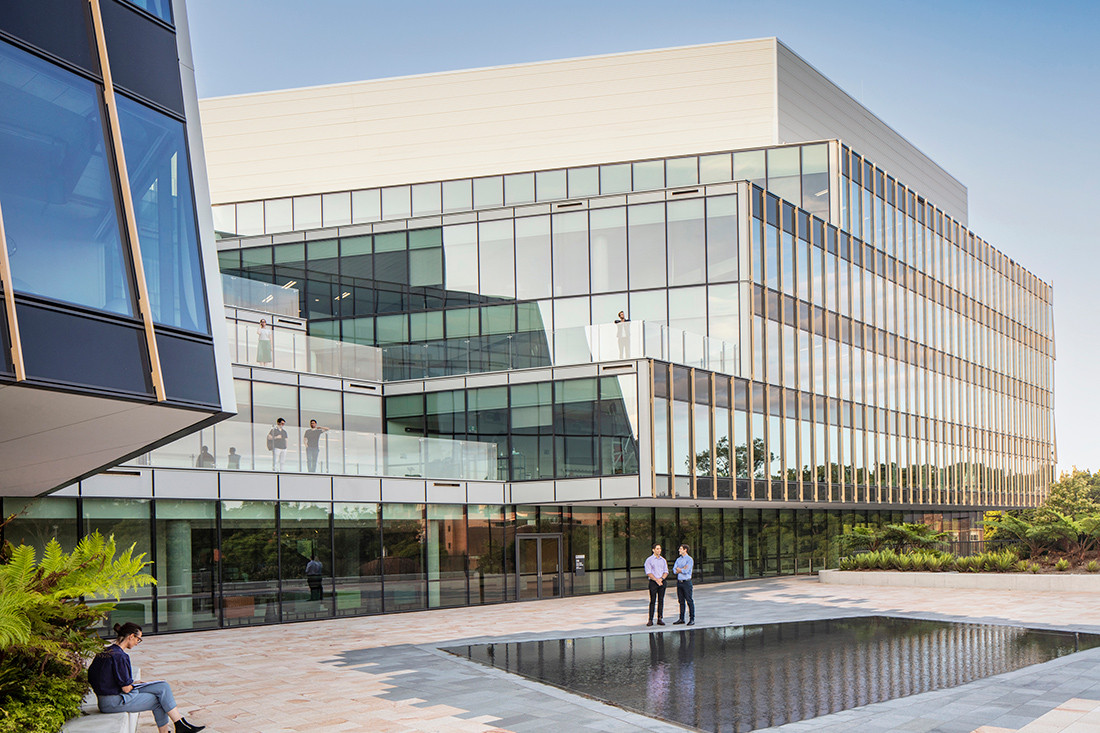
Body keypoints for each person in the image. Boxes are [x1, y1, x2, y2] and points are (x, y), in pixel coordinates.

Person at [87, 622, 205, 733]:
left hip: (106, 698)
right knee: (158, 700)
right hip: (113, 701)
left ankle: (180, 724)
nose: (137, 643)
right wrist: (134, 685)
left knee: (163, 686)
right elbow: (126, 689)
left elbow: (98, 677)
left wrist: (133, 684)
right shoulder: (120, 656)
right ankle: (178, 726)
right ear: (131, 636)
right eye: (138, 639)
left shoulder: (105, 651)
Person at [644, 543, 668, 626]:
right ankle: (650, 619)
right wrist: (656, 580)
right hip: (653, 582)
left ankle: (660, 618)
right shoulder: (649, 560)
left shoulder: (663, 560)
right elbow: (648, 572)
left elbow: (666, 571)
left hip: (662, 581)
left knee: (661, 600)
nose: (659, 550)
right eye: (657, 549)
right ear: (653, 550)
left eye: (660, 549)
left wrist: (661, 579)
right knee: (652, 601)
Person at [672, 543, 695, 626]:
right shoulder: (678, 559)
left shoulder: (689, 559)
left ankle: (692, 619)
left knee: (689, 600)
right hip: (679, 582)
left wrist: (680, 569)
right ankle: (681, 618)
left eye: (681, 549)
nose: (679, 550)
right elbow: (674, 570)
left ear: (685, 550)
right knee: (681, 601)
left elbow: (686, 570)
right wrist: (681, 569)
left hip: (686, 582)